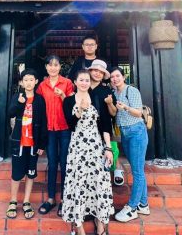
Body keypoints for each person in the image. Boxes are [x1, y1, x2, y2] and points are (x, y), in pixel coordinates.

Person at [62, 70, 114, 235]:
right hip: (77, 148)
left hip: (96, 147)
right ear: (75, 82)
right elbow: (70, 124)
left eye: (87, 80)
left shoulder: (97, 98)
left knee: (98, 182)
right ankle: (79, 226)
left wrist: (108, 148)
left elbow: (105, 125)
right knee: (78, 182)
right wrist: (79, 110)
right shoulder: (69, 101)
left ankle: (100, 223)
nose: (84, 83)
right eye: (81, 80)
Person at [6, 69, 48, 220]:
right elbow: (10, 113)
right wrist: (19, 103)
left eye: (31, 79)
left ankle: (26, 201)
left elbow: (43, 122)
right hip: (19, 141)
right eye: (26, 80)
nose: (29, 82)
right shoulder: (17, 96)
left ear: (36, 82)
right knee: (17, 172)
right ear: (22, 82)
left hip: (33, 143)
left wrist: (42, 144)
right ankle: (13, 201)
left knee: (31, 172)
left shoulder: (40, 100)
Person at [110, 67, 150, 222]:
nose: (115, 79)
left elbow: (139, 112)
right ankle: (143, 204)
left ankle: (132, 207)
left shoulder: (131, 91)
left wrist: (125, 107)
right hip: (125, 133)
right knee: (137, 169)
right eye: (112, 77)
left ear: (123, 76)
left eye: (117, 76)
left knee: (137, 171)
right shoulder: (114, 93)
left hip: (136, 131)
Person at [36, 55, 74, 216]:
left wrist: (63, 96)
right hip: (49, 130)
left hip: (65, 128)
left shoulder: (67, 83)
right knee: (52, 164)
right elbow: (38, 106)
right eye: (50, 65)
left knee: (65, 163)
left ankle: (65, 199)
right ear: (46, 67)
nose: (53, 68)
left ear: (60, 67)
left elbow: (72, 106)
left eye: (56, 65)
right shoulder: (41, 86)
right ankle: (51, 198)